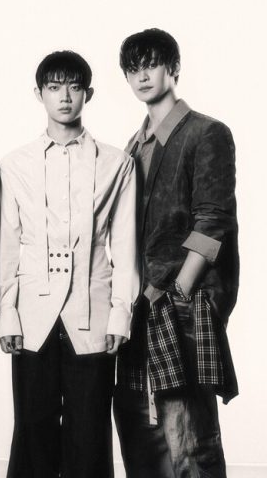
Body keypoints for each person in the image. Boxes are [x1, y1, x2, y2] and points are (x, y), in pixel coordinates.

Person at [0, 50, 138, 478]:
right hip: (32, 316)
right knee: (32, 431)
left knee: (90, 433)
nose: (64, 97)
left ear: (87, 94)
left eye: (74, 87)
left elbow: (125, 246)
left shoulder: (117, 163)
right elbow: (8, 245)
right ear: (38, 93)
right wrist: (7, 315)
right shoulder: (14, 164)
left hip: (93, 314)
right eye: (55, 87)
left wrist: (120, 314)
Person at [114, 28, 239, 478]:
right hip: (139, 307)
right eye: (133, 68)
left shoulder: (206, 133)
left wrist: (181, 290)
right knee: (142, 437)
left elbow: (214, 220)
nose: (142, 75)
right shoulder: (133, 146)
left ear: (174, 67)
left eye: (151, 64)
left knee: (189, 438)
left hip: (182, 303)